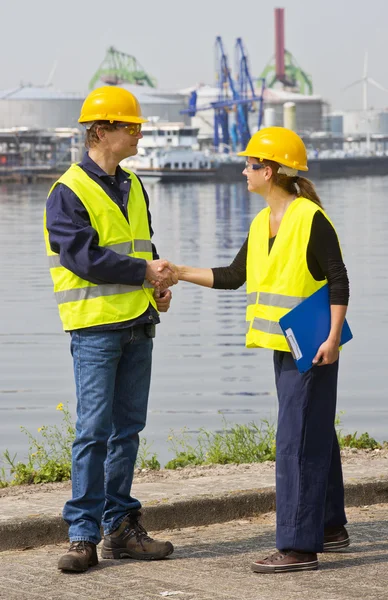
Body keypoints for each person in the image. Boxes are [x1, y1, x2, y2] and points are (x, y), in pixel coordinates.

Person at [174, 127, 350, 574]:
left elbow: (338, 278)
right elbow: (234, 276)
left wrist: (331, 339)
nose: (243, 170)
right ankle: (329, 527)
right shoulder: (260, 224)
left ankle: (297, 546)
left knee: (296, 443)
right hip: (283, 346)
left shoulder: (310, 218)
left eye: (249, 164)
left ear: (267, 171)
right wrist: (178, 271)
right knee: (314, 433)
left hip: (312, 347)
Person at [44, 86, 176, 573]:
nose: (138, 132)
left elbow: (141, 246)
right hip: (96, 329)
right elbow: (81, 257)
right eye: (129, 125)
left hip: (139, 321)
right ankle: (82, 535)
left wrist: (157, 284)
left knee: (127, 431)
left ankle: (120, 526)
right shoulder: (68, 191)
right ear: (100, 131)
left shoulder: (135, 184)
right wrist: (144, 273)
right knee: (94, 431)